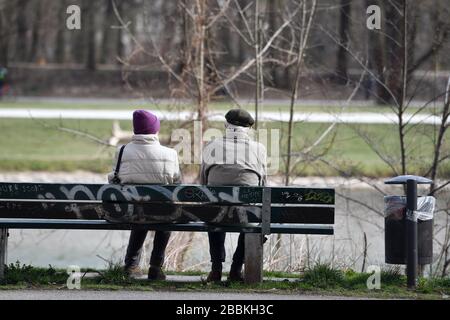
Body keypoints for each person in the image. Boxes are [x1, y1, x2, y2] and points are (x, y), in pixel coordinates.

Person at [108, 110, 182, 280]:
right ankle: (156, 266)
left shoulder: (122, 151)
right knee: (163, 214)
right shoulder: (170, 154)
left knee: (139, 212)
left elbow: (115, 178)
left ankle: (131, 265)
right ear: (155, 129)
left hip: (128, 212)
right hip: (161, 214)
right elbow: (177, 184)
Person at [201, 109, 267, 282]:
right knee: (252, 213)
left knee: (213, 208)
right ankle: (236, 269)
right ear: (249, 129)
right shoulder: (259, 149)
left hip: (215, 214)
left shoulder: (211, 146)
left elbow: (203, 183)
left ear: (225, 125)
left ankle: (216, 269)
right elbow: (263, 185)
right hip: (247, 215)